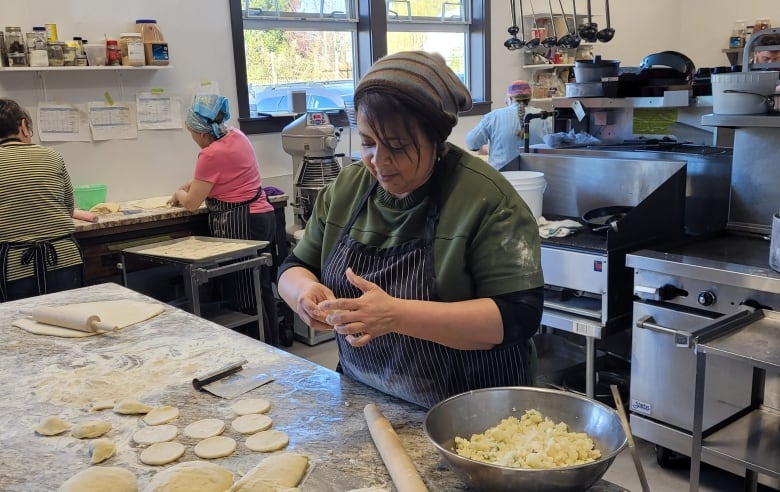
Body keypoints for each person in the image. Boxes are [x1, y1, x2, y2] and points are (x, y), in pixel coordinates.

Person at [277, 51, 544, 409]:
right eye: (369, 142)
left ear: (436, 140)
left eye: (398, 147)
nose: (378, 160)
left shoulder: (486, 199)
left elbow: (518, 316)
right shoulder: (346, 189)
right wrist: (303, 294)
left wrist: (397, 316)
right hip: (367, 398)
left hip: (472, 413)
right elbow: (293, 266)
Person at [169, 93, 284, 346]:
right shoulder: (236, 136)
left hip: (241, 222)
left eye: (192, 135)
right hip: (262, 215)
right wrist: (191, 183)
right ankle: (271, 345)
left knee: (244, 292)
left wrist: (179, 193)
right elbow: (216, 176)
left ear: (201, 133)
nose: (193, 140)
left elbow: (191, 203)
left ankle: (256, 347)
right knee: (260, 287)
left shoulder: (210, 155)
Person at [0, 98, 83, 302]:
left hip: (14, 266)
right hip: (63, 259)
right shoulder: (51, 155)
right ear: (23, 126)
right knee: (70, 323)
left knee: (21, 327)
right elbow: (69, 207)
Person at [465, 80, 540, 171]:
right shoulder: (545, 117)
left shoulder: (494, 117)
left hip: (502, 179)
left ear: (510, 98)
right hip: (536, 177)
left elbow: (471, 142)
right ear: (530, 98)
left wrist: (482, 148)